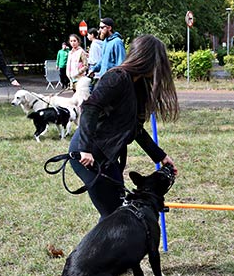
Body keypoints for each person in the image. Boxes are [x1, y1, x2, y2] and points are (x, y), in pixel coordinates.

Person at [69, 34, 179, 220]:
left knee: (118, 210)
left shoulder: (138, 86)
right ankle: (100, 249)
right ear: (146, 58)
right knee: (112, 214)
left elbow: (134, 129)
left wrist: (160, 156)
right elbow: (89, 108)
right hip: (87, 155)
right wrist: (85, 150)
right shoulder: (116, 78)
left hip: (107, 156)